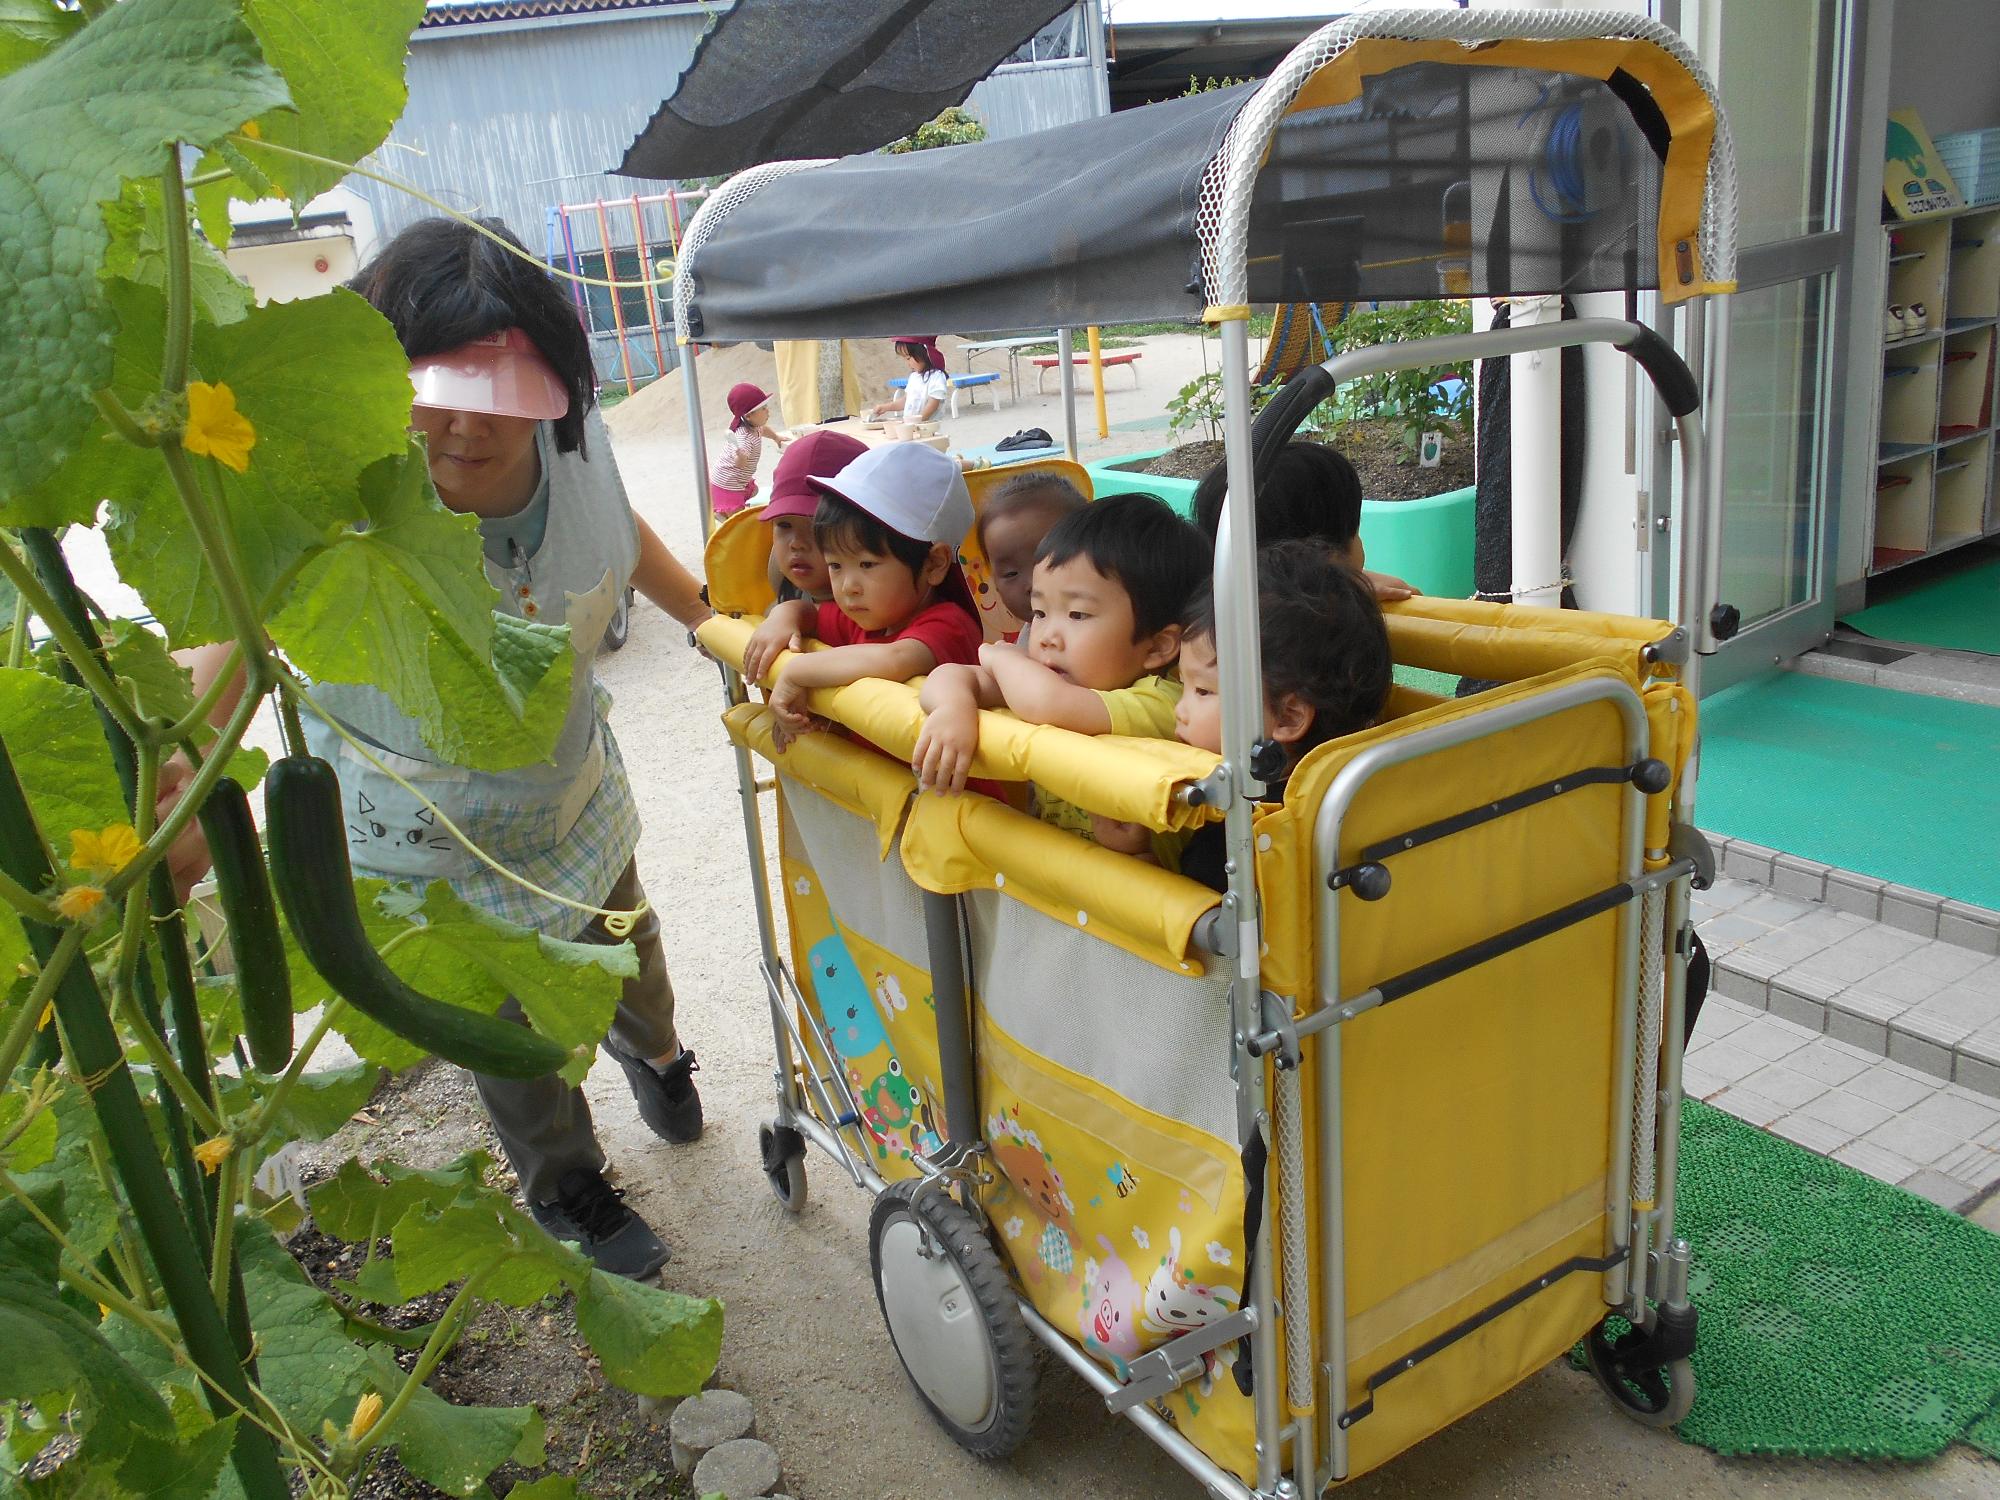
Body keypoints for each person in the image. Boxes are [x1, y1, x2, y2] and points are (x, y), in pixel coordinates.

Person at [164, 217, 716, 1281]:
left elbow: (617, 522)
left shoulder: (572, 435)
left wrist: (708, 616)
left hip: (568, 800)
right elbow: (231, 621)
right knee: (507, 1034)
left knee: (630, 955)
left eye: (498, 397)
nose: (463, 427)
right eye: (434, 392)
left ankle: (651, 1051)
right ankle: (567, 1186)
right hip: (442, 847)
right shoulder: (335, 487)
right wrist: (182, 760)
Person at [914, 493, 1208, 862]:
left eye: (1077, 615)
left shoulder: (1167, 702)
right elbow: (949, 675)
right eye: (1039, 612)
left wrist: (998, 655)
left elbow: (1046, 704)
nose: (1047, 635)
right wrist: (952, 709)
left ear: (1157, 647)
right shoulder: (1046, 677)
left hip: (1145, 905)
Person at [1172, 541, 1392, 892]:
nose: (1179, 711)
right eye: (1183, 685)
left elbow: (1199, 930)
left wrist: (1138, 854)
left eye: (1202, 691)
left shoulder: (1241, 832)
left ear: (1288, 718)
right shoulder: (1367, 792)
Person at [741, 444, 985, 752]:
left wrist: (795, 671)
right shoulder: (868, 616)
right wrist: (784, 616)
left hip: (948, 796)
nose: (847, 587)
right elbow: (811, 613)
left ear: (934, 564)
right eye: (835, 565)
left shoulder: (949, 624)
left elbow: (894, 659)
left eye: (867, 564)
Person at [1192, 442, 1416, 601]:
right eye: (1356, 532)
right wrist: (1346, 598)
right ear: (1332, 557)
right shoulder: (1331, 645)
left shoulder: (1202, 611)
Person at [973, 471, 1087, 637]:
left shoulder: (1102, 634)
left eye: (1052, 562)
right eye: (1011, 573)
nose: (1032, 584)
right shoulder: (1030, 634)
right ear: (995, 583)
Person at [760, 429, 864, 604]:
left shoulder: (878, 613)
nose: (797, 543)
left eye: (816, 527)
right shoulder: (784, 586)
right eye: (784, 525)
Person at [709, 382, 789, 519]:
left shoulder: (754, 426)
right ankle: (724, 515)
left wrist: (776, 437)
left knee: (754, 490)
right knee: (739, 519)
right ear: (748, 416)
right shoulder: (744, 437)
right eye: (763, 408)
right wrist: (741, 456)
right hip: (728, 482)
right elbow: (740, 464)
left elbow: (764, 430)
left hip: (736, 479)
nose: (768, 411)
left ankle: (726, 511)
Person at [867, 336, 950, 426]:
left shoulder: (936, 377)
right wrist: (885, 407)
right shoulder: (914, 377)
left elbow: (933, 404)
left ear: (923, 354)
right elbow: (906, 400)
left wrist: (917, 422)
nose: (908, 363)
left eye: (908, 358)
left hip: (928, 429)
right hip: (911, 427)